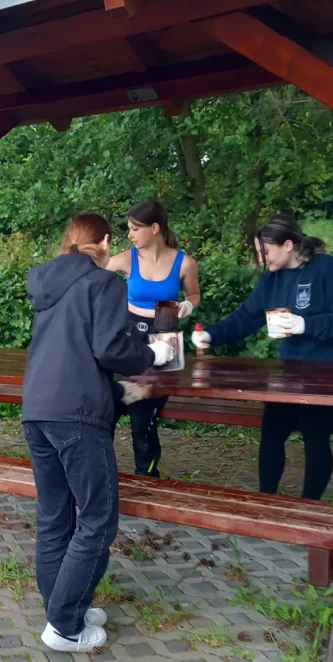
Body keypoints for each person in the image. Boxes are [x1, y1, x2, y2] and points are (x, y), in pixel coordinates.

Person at [22, 213, 174, 652]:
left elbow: (70, 352)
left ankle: (62, 608)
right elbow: (108, 346)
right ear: (105, 242)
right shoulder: (103, 282)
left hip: (37, 411)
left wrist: (117, 391)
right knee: (96, 520)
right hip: (77, 417)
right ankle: (65, 627)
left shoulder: (47, 286)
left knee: (55, 519)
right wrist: (153, 354)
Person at [192, 215, 333, 500]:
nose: (261, 259)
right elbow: (246, 318)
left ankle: (308, 506)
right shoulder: (272, 280)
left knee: (314, 434)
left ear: (288, 245)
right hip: (291, 371)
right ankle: (267, 500)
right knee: (272, 431)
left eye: (265, 252)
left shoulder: (330, 270)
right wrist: (211, 335)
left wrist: (305, 324)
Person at [105, 201, 201, 477]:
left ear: (155, 228)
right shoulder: (125, 258)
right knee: (107, 406)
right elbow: (93, 279)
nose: (130, 235)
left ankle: (146, 477)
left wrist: (188, 306)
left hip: (166, 341)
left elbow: (194, 295)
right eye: (129, 229)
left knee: (142, 413)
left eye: (135, 229)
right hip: (131, 338)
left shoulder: (185, 262)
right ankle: (98, 474)